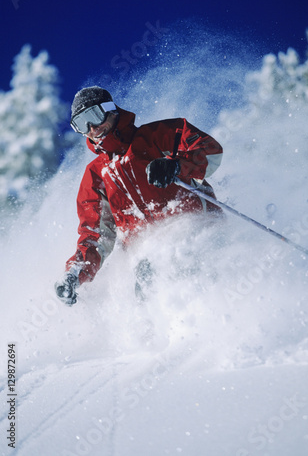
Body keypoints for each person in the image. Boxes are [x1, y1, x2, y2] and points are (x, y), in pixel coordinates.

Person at [55, 86, 223, 305]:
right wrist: (75, 273)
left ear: (111, 111)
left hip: (198, 229)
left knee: (194, 272)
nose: (92, 128)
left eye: (94, 116)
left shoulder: (156, 136)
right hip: (149, 256)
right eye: (81, 124)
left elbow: (210, 150)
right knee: (146, 283)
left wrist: (176, 166)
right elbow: (95, 236)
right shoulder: (95, 175)